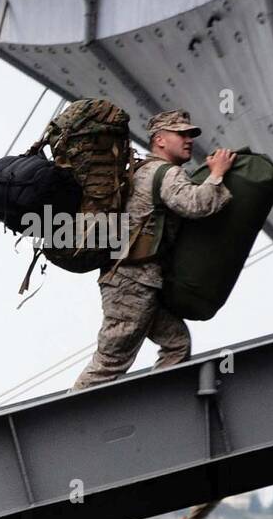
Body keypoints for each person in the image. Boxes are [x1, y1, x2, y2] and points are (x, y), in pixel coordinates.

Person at [72, 110, 235, 389]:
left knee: (176, 343)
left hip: (135, 280)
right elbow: (196, 205)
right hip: (132, 282)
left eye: (190, 134)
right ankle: (68, 419)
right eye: (181, 134)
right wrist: (217, 174)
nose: (189, 140)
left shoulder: (141, 171)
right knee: (110, 362)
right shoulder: (165, 173)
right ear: (159, 139)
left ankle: (161, 404)